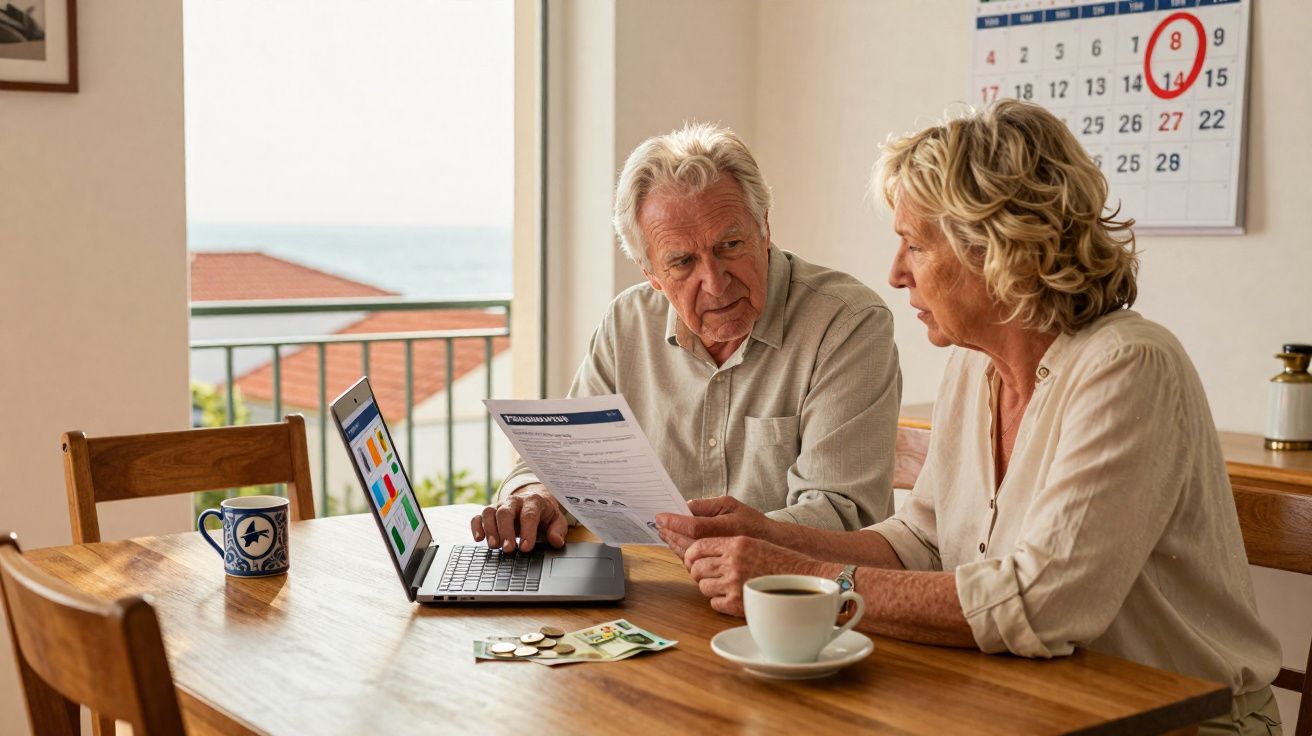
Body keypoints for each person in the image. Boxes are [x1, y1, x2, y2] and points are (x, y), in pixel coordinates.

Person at [656, 101, 1283, 734]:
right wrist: (769, 535)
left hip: (1183, 723)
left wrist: (809, 579)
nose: (896, 273)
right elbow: (923, 542)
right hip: (1027, 705)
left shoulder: (1129, 368)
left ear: (1002, 248)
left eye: (915, 244)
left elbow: (1040, 604)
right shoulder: (973, 366)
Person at [471, 122, 902, 553]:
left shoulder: (847, 324)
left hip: (790, 602)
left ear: (764, 229)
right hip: (655, 591)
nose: (715, 282)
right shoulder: (627, 323)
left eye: (730, 245)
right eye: (681, 262)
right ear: (651, 274)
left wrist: (718, 542)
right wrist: (536, 495)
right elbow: (567, 465)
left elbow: (843, 515)